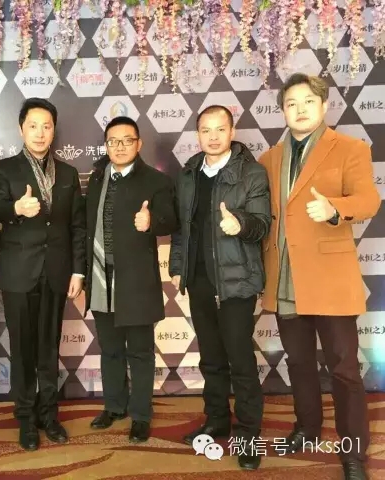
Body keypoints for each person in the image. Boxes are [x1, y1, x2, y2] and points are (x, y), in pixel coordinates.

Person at [259, 73, 379, 480]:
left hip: (329, 279)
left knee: (344, 368)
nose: (300, 109)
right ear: (282, 110)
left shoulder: (349, 148)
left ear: (324, 105)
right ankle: (307, 428)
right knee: (298, 362)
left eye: (308, 101)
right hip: (285, 278)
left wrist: (333, 209)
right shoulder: (269, 159)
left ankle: (353, 451)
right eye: (291, 103)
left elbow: (368, 200)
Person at [170, 105, 270, 471]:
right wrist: (178, 267)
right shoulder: (188, 173)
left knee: (240, 361)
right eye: (206, 130)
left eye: (220, 129)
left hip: (237, 282)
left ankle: (248, 435)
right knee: (211, 358)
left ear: (232, 131)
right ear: (198, 134)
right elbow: (181, 229)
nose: (213, 136)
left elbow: (262, 224)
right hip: (198, 281)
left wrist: (240, 224)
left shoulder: (251, 172)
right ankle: (216, 420)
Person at [0, 98, 86, 451]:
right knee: (23, 350)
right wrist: (15, 207)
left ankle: (49, 415)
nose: (40, 133)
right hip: (19, 273)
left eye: (47, 126)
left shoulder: (69, 174)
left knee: (48, 348)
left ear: (54, 130)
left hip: (56, 272)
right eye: (33, 126)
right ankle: (26, 419)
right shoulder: (5, 169)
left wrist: (78, 271)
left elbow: (77, 226)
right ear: (21, 129)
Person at [84, 116, 176, 443]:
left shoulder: (155, 180)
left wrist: (151, 222)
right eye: (113, 141)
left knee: (140, 352)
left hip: (136, 281)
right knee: (110, 349)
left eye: (127, 140)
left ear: (139, 144)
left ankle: (140, 414)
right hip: (100, 277)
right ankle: (114, 406)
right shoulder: (97, 178)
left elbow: (171, 220)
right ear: (106, 145)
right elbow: (85, 226)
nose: (120, 147)